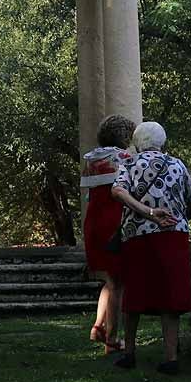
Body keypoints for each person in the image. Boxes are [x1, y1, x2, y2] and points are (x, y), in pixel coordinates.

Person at [110, 121, 191, 374]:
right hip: (173, 235)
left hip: (137, 236)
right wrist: (177, 216)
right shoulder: (177, 164)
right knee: (170, 297)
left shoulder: (129, 164)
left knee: (134, 293)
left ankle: (129, 354)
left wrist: (147, 212)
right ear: (163, 142)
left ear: (137, 142)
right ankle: (171, 358)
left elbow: (117, 191)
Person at [81, 114, 136, 354]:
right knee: (118, 283)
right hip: (114, 222)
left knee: (110, 280)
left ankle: (99, 327)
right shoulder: (124, 158)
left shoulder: (91, 160)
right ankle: (112, 340)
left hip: (94, 222)